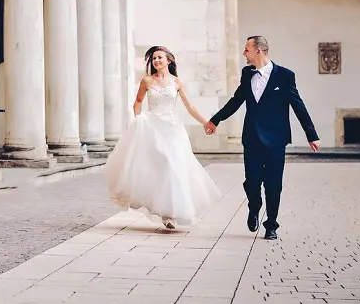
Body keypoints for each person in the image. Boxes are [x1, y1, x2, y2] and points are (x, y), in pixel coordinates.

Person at [205, 35, 319, 241]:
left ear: (259, 50)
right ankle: (254, 208)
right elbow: (236, 101)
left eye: (246, 49)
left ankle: (271, 225)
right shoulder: (247, 73)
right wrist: (215, 120)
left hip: (276, 140)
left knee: (274, 184)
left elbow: (298, 105)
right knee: (252, 182)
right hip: (252, 138)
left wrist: (311, 134)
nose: (243, 54)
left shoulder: (284, 75)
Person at [106, 46, 223, 230]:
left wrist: (206, 123)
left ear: (169, 60)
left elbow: (190, 107)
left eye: (159, 58)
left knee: (173, 166)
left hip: (172, 129)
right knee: (161, 166)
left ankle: (170, 213)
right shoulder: (146, 81)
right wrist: (137, 120)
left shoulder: (177, 83)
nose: (156, 61)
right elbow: (138, 102)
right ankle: (164, 211)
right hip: (152, 127)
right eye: (153, 59)